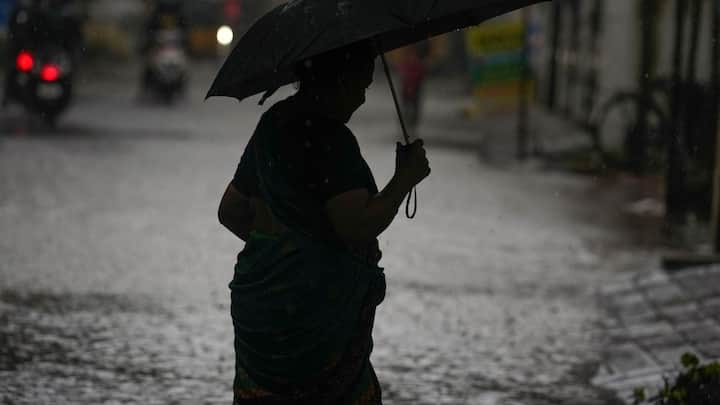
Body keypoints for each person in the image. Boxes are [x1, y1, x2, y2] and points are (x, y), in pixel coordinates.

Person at [218, 40, 431, 404]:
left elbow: (231, 211)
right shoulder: (330, 140)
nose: (361, 99)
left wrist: (279, 250)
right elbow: (356, 225)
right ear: (336, 80)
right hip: (314, 324)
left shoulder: (273, 123)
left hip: (261, 317)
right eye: (359, 86)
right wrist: (404, 179)